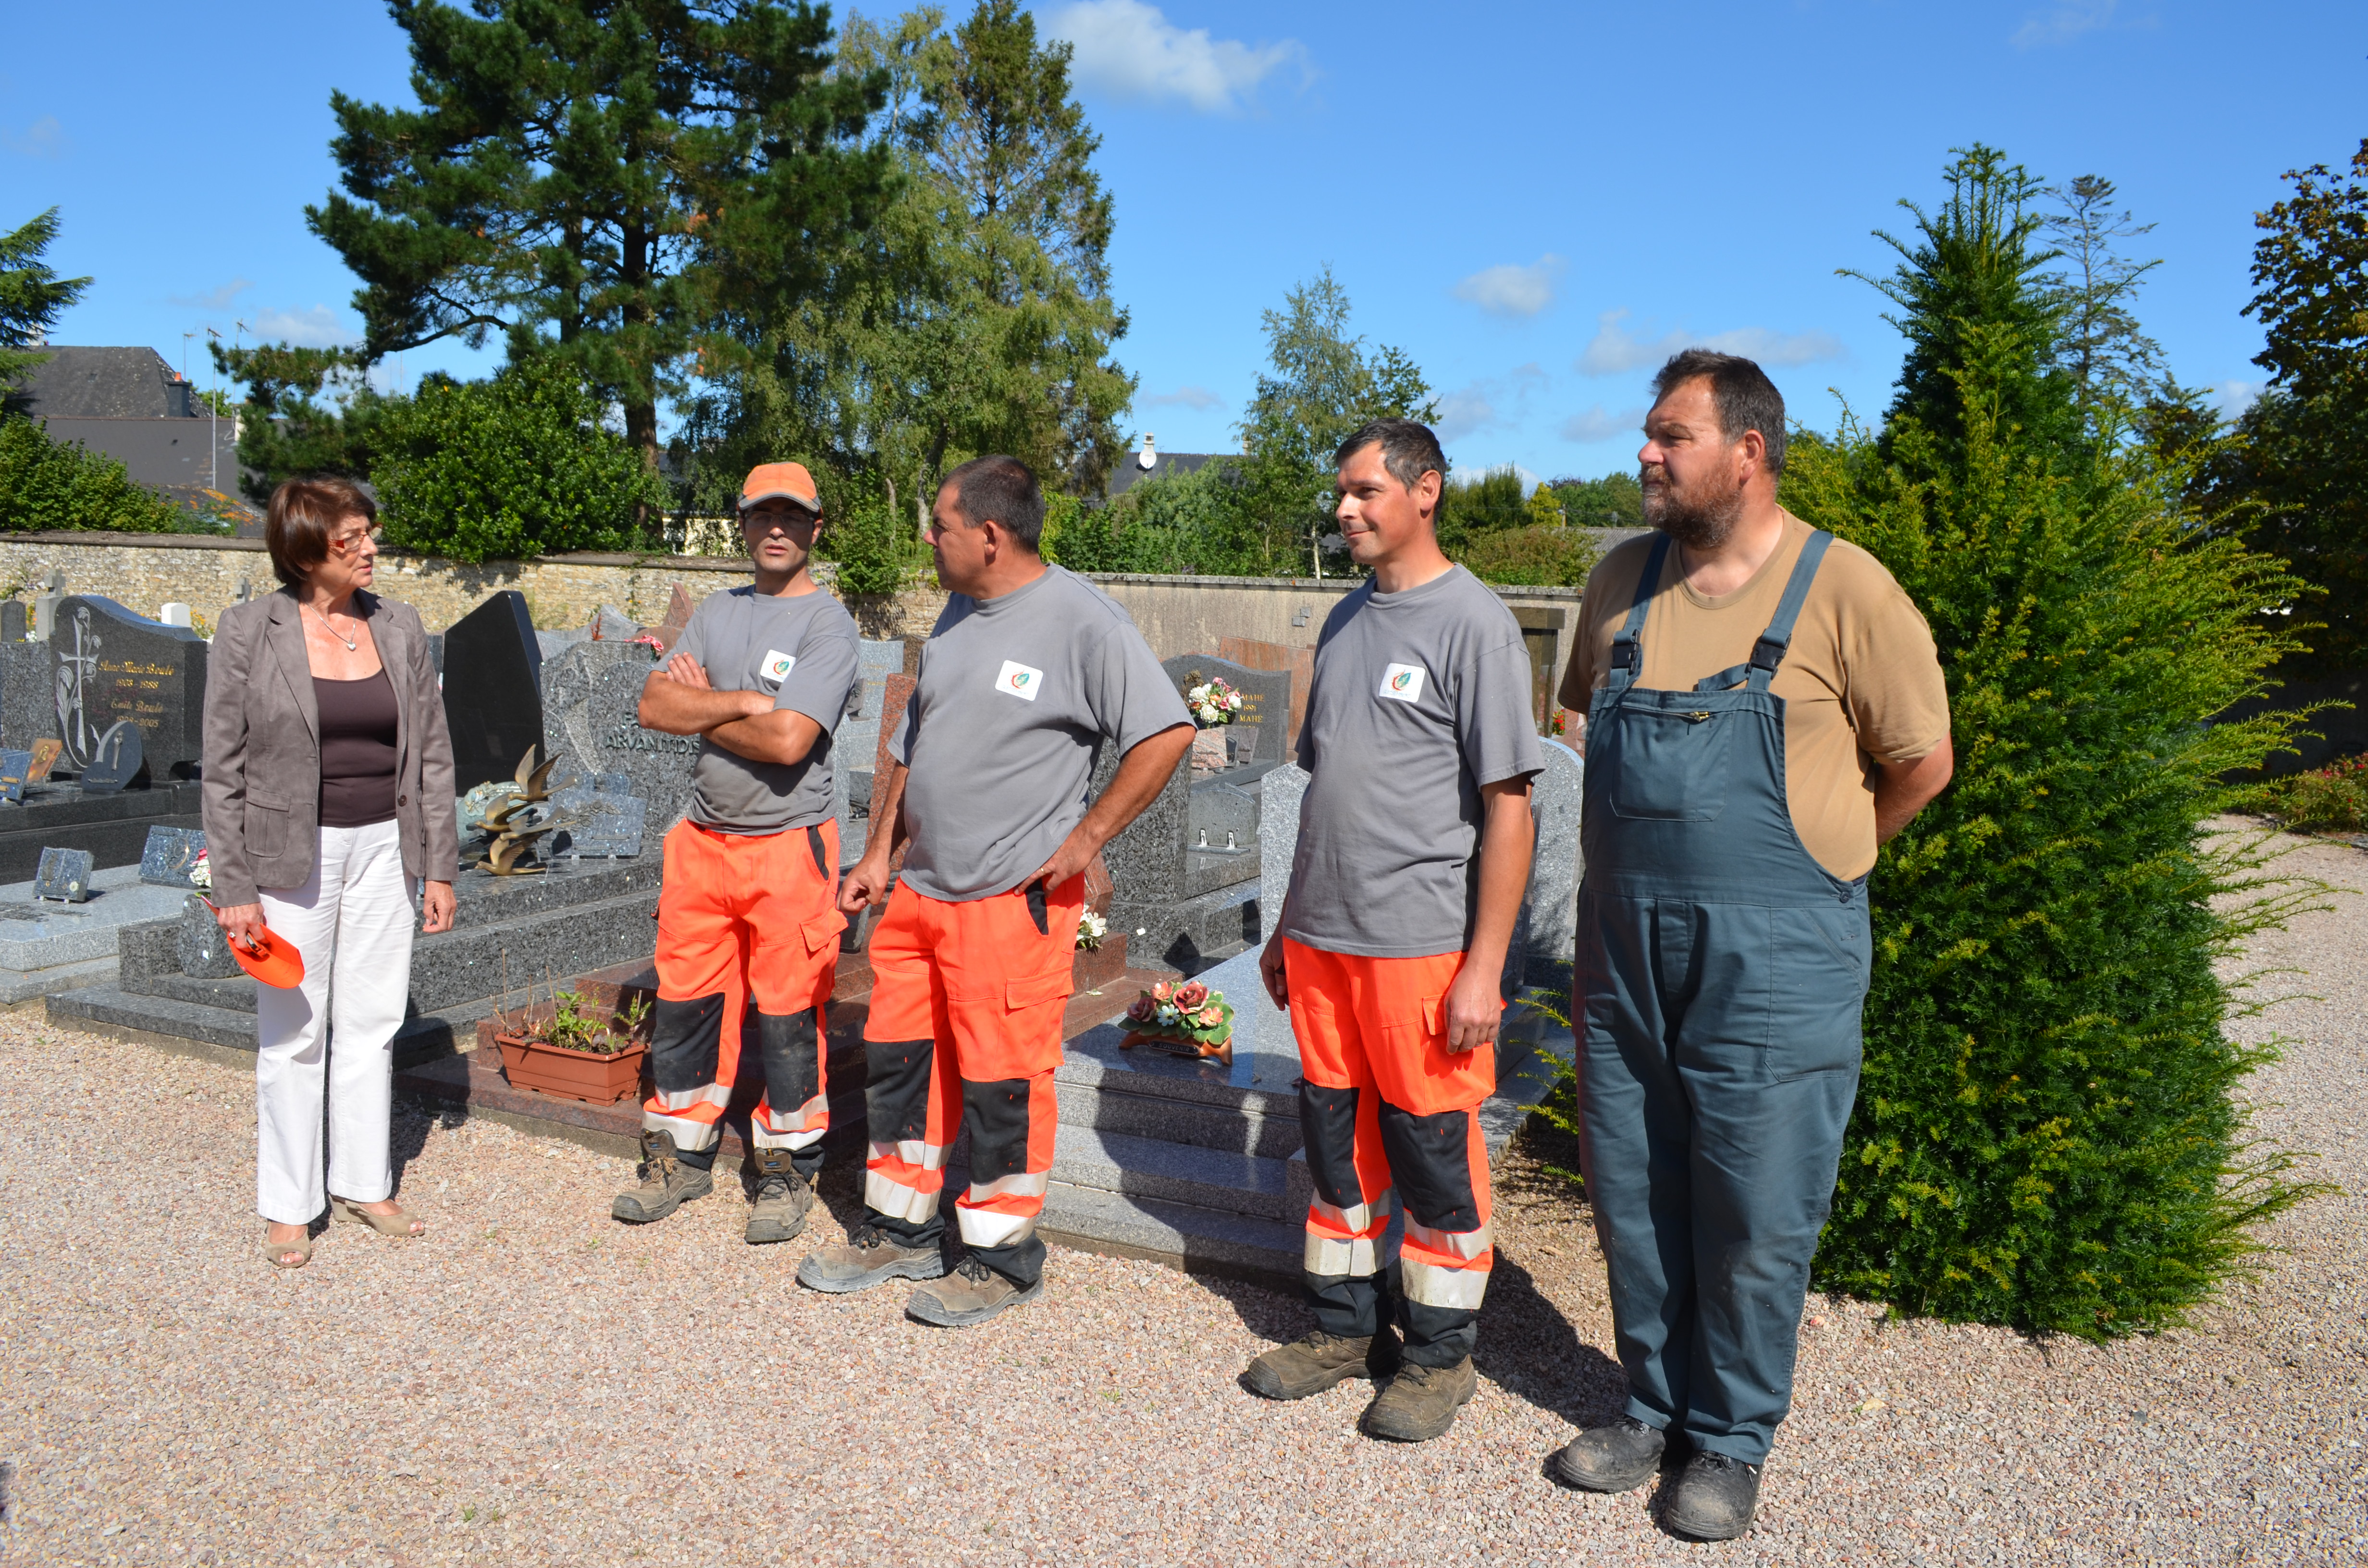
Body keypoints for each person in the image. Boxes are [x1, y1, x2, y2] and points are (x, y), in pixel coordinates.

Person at [1546, 350, 1953, 1539]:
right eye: (1648, 433)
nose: (1646, 454)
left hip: (1776, 954)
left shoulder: (1847, 590)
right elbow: (1579, 712)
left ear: (1748, 452)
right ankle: (1649, 1408)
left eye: (1671, 435)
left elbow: (1921, 763)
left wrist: (1828, 863)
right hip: (1623, 942)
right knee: (1631, 1183)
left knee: (1755, 1203)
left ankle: (1729, 1440)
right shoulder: (1620, 580)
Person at [804, 455, 1193, 1325]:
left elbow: (1165, 732)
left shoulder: (1081, 621)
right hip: (921, 897)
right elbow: (914, 741)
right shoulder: (957, 611)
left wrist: (1086, 838)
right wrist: (876, 854)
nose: (927, 539)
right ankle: (900, 1231)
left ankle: (1000, 1259)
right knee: (905, 1067)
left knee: (1002, 1083)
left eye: (939, 526)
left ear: (989, 535)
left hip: (1008, 907)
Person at [1244, 418, 1543, 1443]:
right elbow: (1323, 791)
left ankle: (1436, 1356)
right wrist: (1288, 925)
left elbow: (1510, 806)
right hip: (1325, 943)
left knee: (1430, 1154)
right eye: (1341, 492)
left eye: (1365, 491)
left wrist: (1483, 967)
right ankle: (1342, 1328)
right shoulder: (1343, 621)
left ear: (1426, 492)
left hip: (1421, 946)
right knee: (1336, 1146)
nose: (1344, 509)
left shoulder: (1476, 625)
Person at [202, 476, 459, 1270]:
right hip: (289, 857)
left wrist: (440, 866)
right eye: (355, 539)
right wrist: (234, 888)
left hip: (386, 847)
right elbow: (222, 771)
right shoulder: (249, 631)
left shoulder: (400, 626)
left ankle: (362, 1182)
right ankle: (289, 1203)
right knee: (294, 1031)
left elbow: (433, 754)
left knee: (374, 1022)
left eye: (370, 534)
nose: (373, 548)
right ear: (309, 548)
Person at [610, 462, 861, 1243]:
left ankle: (785, 1169)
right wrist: (748, 702)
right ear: (744, 525)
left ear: (815, 529)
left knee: (788, 1015)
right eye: (762, 515)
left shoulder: (829, 625)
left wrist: (706, 708)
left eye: (792, 516)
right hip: (702, 843)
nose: (776, 528)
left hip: (790, 848)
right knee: (687, 1005)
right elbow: (654, 704)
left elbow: (790, 742)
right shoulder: (716, 612)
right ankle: (679, 1157)